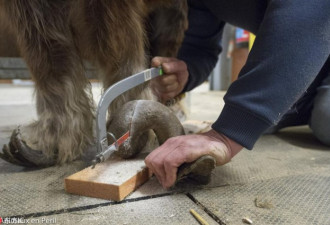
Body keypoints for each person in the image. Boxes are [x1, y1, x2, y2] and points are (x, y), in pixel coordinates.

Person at [145, 0, 330, 189]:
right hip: (311, 54)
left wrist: (227, 134)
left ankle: (300, 96)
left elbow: (310, 10)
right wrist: (187, 71)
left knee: (325, 118)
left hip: (317, 36)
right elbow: (199, 46)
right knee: (265, 117)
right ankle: (295, 92)